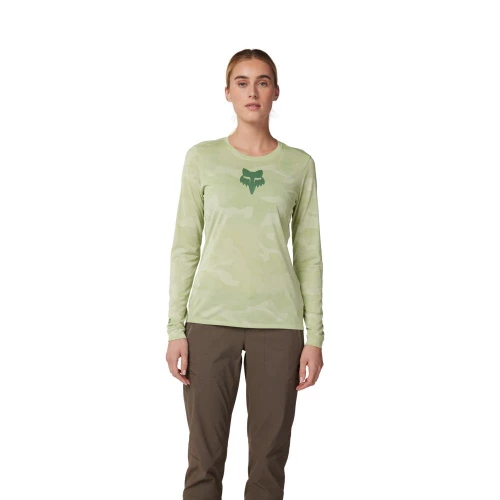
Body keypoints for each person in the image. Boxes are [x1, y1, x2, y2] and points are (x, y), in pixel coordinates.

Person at [165, 48, 325, 500]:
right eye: (242, 82)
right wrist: (176, 329)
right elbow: (185, 247)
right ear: (227, 92)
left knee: (269, 464)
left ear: (276, 92)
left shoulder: (298, 165)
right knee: (204, 460)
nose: (252, 92)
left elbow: (309, 255)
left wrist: (314, 336)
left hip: (278, 325)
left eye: (262, 82)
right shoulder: (202, 159)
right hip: (209, 321)